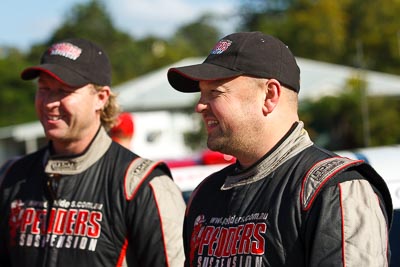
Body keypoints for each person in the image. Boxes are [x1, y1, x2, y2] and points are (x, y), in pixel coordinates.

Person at [167, 31, 393, 266]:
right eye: (202, 93)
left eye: (215, 92)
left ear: (269, 95)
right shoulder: (206, 194)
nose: (200, 106)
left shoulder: (334, 188)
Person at [0, 38, 186, 267]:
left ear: (101, 98)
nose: (49, 103)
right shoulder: (11, 176)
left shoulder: (141, 184)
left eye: (63, 91)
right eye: (44, 89)